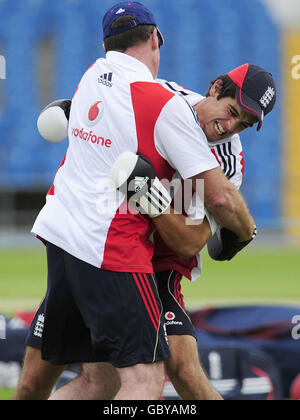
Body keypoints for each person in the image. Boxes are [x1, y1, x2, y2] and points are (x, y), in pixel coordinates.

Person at [13, 60, 276, 400]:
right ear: (215, 89)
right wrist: (74, 111)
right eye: (232, 111)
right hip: (96, 250)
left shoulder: (227, 158)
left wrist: (149, 198)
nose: (232, 126)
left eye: (245, 123)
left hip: (157, 267)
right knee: (37, 382)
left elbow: (189, 243)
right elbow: (103, 105)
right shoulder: (159, 98)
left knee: (177, 369)